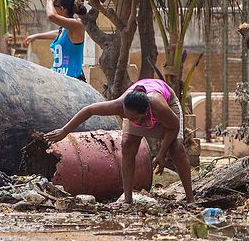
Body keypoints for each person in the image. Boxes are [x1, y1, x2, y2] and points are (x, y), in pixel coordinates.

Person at [44, 78, 194, 204]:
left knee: (177, 149)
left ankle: (190, 199)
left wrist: (161, 154)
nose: (129, 119)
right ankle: (128, 200)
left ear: (147, 111)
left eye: (134, 118)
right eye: (126, 115)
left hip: (167, 109)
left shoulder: (158, 106)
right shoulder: (121, 106)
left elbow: (173, 128)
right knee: (127, 145)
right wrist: (65, 131)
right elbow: (89, 110)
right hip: (138, 110)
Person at [23, 0, 87, 81]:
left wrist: (50, 0)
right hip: (59, 80)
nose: (51, 7)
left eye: (54, 6)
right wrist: (36, 36)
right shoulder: (64, 30)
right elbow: (58, 33)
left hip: (73, 81)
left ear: (61, 9)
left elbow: (51, 16)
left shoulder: (77, 25)